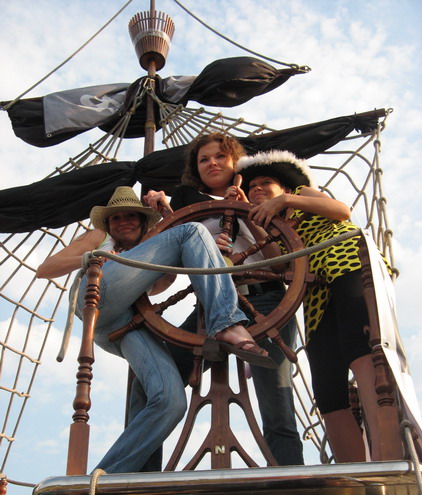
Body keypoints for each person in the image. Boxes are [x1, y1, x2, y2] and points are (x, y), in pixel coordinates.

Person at [36, 185, 275, 474]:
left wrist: (207, 251)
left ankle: (107, 478)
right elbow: (45, 268)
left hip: (123, 323)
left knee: (170, 402)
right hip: (98, 295)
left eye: (131, 216)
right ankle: (227, 323)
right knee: (193, 231)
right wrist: (92, 257)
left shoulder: (152, 247)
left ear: (143, 221)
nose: (123, 222)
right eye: (116, 218)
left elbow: (164, 282)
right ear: (107, 224)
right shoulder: (99, 237)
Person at [145, 133, 304, 466]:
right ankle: (138, 476)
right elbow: (172, 249)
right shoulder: (188, 206)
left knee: (276, 402)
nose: (212, 163)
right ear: (196, 169)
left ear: (235, 162)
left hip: (264, 301)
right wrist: (161, 213)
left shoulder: (259, 198)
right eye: (204, 159)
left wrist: (247, 210)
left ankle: (290, 480)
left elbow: (281, 263)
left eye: (220, 156)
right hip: (211, 305)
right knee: (152, 385)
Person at [232, 149, 391, 463]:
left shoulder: (301, 195)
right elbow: (280, 264)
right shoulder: (274, 227)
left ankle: (388, 456)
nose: (257, 188)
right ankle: (352, 470)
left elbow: (341, 211)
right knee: (326, 386)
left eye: (265, 183)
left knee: (361, 355)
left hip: (348, 265)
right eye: (252, 186)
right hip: (316, 295)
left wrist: (286, 200)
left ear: (284, 188)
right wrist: (251, 218)